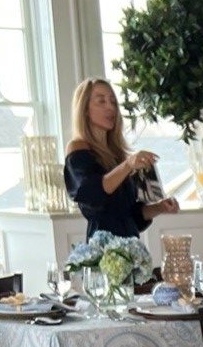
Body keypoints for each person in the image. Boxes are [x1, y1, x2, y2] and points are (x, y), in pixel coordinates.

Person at [62, 78, 179, 237]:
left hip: (130, 244)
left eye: (113, 102)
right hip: (103, 246)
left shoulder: (118, 156)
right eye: (101, 101)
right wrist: (128, 165)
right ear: (85, 110)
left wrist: (160, 207)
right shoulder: (77, 147)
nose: (110, 107)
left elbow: (131, 216)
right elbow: (93, 192)